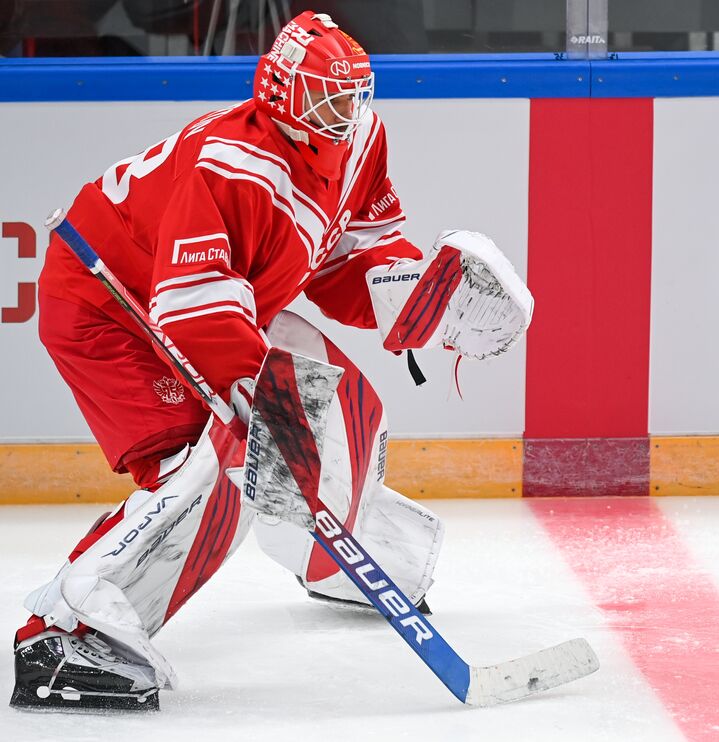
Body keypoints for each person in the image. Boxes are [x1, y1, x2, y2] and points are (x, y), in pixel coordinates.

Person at [11, 10, 531, 712]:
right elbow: (192, 310)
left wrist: (421, 299)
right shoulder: (234, 166)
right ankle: (66, 630)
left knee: (337, 401)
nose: (346, 111)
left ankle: (340, 562)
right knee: (225, 461)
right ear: (282, 94)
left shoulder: (359, 141)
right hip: (107, 299)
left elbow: (347, 257)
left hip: (207, 301)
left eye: (354, 95)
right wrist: (267, 410)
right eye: (328, 97)